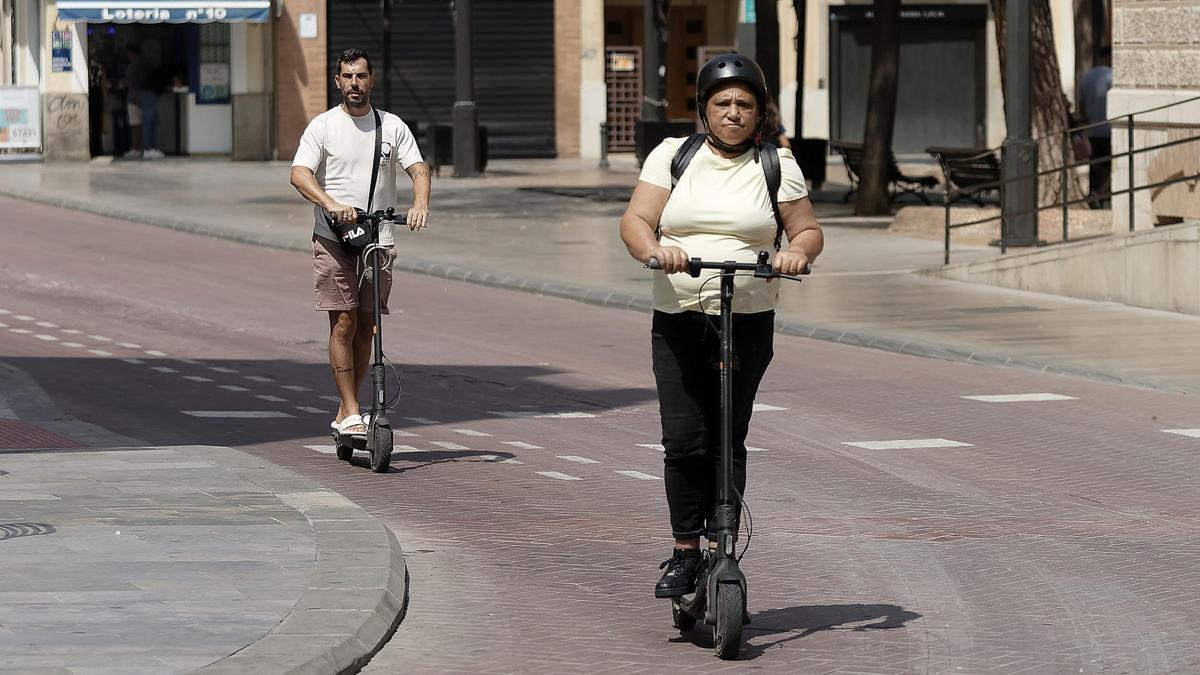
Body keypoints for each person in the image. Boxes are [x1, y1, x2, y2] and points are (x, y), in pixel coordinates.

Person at [619, 53, 824, 598]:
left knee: (728, 435)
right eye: (723, 103)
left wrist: (795, 255)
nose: (734, 113)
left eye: (745, 104)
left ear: (760, 112)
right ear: (704, 109)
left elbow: (806, 231)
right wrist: (656, 250)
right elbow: (636, 220)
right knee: (685, 437)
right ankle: (685, 549)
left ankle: (721, 545)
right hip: (679, 316)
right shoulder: (673, 155)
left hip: (748, 318)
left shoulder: (777, 164)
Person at [290, 48, 431, 439]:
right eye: (348, 76)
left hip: (378, 238)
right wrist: (331, 204)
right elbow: (299, 173)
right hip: (334, 236)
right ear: (337, 81)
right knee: (344, 320)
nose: (355, 83)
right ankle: (351, 409)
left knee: (368, 322)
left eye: (362, 76)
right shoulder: (323, 126)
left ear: (372, 80)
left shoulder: (392, 126)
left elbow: (418, 169)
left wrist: (420, 203)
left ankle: (345, 408)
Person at [1077, 46, 1112, 208]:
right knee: (1111, 165)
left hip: (1093, 130)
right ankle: (1103, 195)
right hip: (1110, 130)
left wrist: (1087, 121)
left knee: (1095, 166)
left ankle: (1094, 195)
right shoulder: (1111, 76)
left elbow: (1081, 106)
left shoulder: (1086, 77)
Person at [122, 45, 163, 160]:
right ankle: (147, 149)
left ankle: (139, 149)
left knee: (137, 124)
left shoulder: (134, 66)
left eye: (128, 54)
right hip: (144, 96)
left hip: (134, 97)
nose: (127, 56)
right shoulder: (146, 65)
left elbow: (131, 81)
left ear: (132, 54)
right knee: (148, 123)